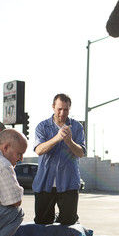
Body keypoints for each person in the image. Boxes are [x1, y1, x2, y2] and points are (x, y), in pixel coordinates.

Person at [33, 93, 86, 226]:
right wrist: (57, 138)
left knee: (69, 223)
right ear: (53, 107)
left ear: (70, 108)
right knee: (42, 223)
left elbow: (81, 153)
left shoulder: (77, 127)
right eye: (59, 109)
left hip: (69, 183)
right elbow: (39, 150)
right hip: (45, 183)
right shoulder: (42, 127)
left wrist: (69, 142)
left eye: (66, 109)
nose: (62, 113)